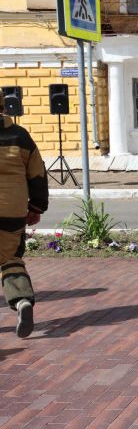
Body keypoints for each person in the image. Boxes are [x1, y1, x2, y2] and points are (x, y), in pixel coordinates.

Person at [0, 93, 48, 338]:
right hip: (12, 209)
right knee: (10, 258)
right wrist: (37, 207)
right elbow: (37, 173)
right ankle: (21, 301)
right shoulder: (20, 135)